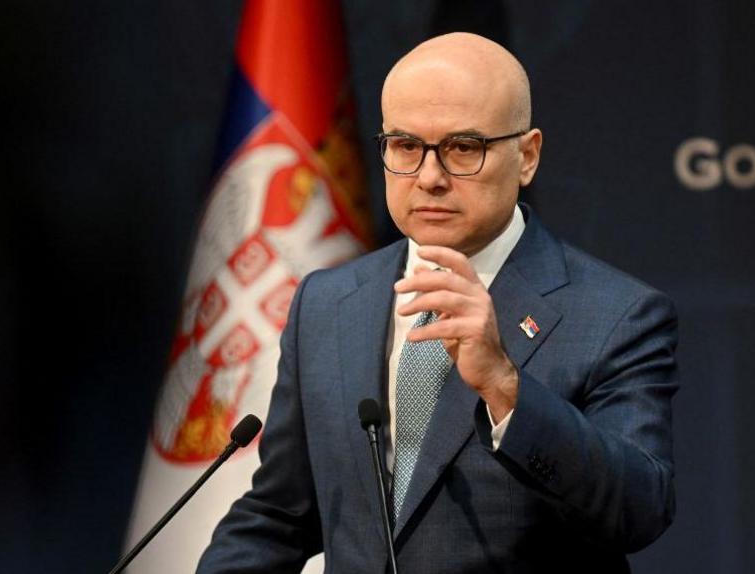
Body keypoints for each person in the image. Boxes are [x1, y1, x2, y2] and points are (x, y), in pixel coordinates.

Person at [197, 32, 679, 573]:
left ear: (527, 156)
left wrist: (504, 387)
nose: (429, 177)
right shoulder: (327, 303)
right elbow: (281, 514)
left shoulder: (618, 315)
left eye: (462, 148)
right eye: (405, 146)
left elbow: (639, 511)